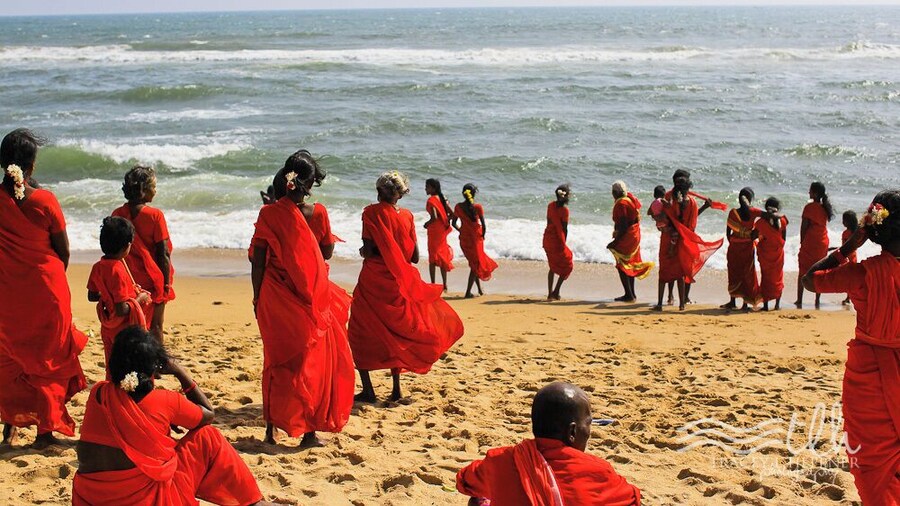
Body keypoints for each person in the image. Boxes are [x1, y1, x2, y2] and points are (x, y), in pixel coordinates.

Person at [72, 327, 272, 505]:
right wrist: (179, 371)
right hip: (148, 499)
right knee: (208, 436)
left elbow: (129, 424)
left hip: (91, 497)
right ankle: (254, 503)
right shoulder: (166, 401)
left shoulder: (99, 394)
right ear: (155, 366)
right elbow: (208, 414)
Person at [801, 190, 899, 504]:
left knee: (873, 468)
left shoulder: (862, 273)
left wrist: (848, 247)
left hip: (868, 382)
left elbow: (811, 279)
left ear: (873, 231)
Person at [250, 150, 354, 447]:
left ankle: (271, 430)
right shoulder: (318, 213)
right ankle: (308, 432)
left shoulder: (268, 213)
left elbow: (258, 260)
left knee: (276, 359)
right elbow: (327, 252)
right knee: (312, 361)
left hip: (274, 294)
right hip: (311, 294)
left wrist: (258, 298)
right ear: (308, 184)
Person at [0, 128, 87, 449]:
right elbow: (62, 251)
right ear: (32, 166)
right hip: (47, 290)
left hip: (7, 291)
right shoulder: (46, 201)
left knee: (9, 357)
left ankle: (9, 426)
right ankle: (45, 432)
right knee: (49, 358)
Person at [349, 172, 464, 403]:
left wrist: (363, 252)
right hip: (399, 282)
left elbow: (370, 250)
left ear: (380, 191)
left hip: (374, 279)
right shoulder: (408, 216)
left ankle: (369, 390)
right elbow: (413, 256)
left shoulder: (370, 213)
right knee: (396, 333)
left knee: (360, 331)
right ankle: (395, 389)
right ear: (400, 194)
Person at [457, 382, 641, 505]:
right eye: (589, 424)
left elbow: (464, 481)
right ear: (572, 432)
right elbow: (633, 499)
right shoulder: (597, 471)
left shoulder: (500, 460)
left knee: (478, 499)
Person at [111, 165, 175, 343]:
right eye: (153, 187)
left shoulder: (118, 214)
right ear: (144, 190)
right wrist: (166, 284)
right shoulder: (155, 216)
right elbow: (163, 253)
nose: (155, 191)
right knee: (155, 326)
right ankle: (156, 364)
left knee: (133, 323)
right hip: (153, 279)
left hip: (129, 280)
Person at [87, 216, 152, 374]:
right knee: (128, 365)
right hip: (123, 328)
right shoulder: (118, 270)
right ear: (127, 246)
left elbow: (92, 295)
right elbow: (122, 309)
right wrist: (139, 299)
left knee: (112, 363)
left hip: (108, 327)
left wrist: (107, 295)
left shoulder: (98, 267)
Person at [654, 177, 723, 311]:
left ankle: (659, 304)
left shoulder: (668, 200)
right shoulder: (691, 202)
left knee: (664, 271)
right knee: (680, 272)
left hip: (668, 238)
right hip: (683, 240)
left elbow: (661, 217)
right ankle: (681, 304)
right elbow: (692, 221)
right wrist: (705, 206)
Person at [608, 181, 653, 302]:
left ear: (615, 193)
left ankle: (629, 294)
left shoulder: (621, 203)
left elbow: (622, 225)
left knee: (621, 265)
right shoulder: (628, 199)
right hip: (634, 234)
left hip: (628, 235)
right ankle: (631, 293)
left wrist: (615, 242)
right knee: (629, 263)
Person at [452, 183, 498, 298]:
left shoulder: (458, 207)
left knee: (474, 264)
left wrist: (461, 231)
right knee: (475, 265)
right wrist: (482, 236)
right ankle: (468, 292)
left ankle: (479, 290)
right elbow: (484, 225)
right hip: (476, 239)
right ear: (474, 194)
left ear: (463, 193)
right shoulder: (477, 207)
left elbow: (453, 223)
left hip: (464, 239)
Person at [722, 187, 763, 311]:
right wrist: (755, 233)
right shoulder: (753, 212)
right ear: (750, 200)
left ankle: (732, 301)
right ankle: (745, 303)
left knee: (734, 273)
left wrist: (734, 241)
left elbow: (728, 232)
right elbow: (765, 217)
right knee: (747, 275)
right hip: (747, 247)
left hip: (734, 247)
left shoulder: (733, 212)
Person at [795, 181, 833, 309]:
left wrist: (802, 241)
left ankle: (799, 300)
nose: (808, 192)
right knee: (819, 271)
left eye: (810, 190)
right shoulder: (824, 208)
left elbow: (804, 227)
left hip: (811, 241)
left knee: (803, 270)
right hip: (822, 241)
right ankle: (817, 300)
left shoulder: (809, 207)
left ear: (815, 193)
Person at [755, 197, 789, 311]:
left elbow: (753, 236)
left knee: (766, 278)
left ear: (766, 208)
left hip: (765, 254)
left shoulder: (761, 222)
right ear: (778, 209)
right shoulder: (783, 221)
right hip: (778, 253)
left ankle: (765, 306)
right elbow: (784, 239)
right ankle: (777, 305)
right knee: (778, 277)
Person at [543, 184, 573, 301]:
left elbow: (548, 222)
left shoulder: (550, 205)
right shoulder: (565, 211)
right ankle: (556, 291)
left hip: (547, 238)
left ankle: (551, 293)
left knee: (552, 266)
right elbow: (565, 228)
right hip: (557, 241)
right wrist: (563, 243)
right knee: (567, 265)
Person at [424, 178, 454, 292]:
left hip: (434, 231)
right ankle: (445, 284)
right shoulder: (443, 198)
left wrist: (427, 224)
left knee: (432, 257)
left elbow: (434, 217)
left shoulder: (431, 200)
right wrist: (445, 221)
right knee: (442, 256)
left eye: (427, 186)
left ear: (433, 188)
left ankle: (433, 283)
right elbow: (452, 214)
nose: (425, 189)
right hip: (441, 230)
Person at [648, 185, 675, 305]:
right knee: (671, 266)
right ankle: (670, 295)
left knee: (665, 266)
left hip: (661, 229)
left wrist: (655, 216)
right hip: (668, 231)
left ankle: (667, 297)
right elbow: (668, 211)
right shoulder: (663, 201)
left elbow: (649, 212)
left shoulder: (654, 202)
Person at [841, 210, 859, 306]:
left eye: (844, 220)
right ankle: (849, 297)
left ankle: (848, 297)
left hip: (846, 258)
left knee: (847, 279)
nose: (842, 222)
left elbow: (843, 247)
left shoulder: (845, 233)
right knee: (851, 278)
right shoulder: (856, 233)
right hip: (853, 257)